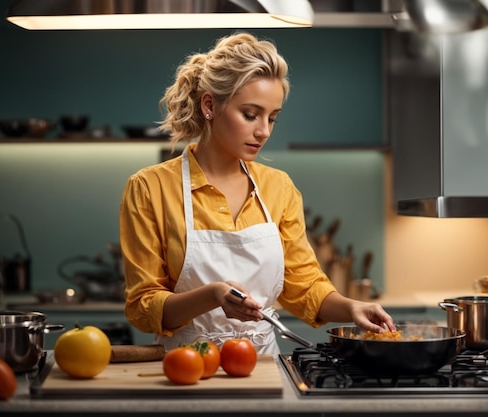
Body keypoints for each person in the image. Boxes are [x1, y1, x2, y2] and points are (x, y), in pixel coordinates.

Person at [119, 32, 395, 355]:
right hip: (187, 370)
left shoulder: (279, 188)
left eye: (272, 118)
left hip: (263, 369)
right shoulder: (150, 188)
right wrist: (213, 295)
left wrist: (352, 309)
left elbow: (305, 286)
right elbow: (143, 306)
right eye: (250, 115)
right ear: (209, 104)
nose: (263, 130)